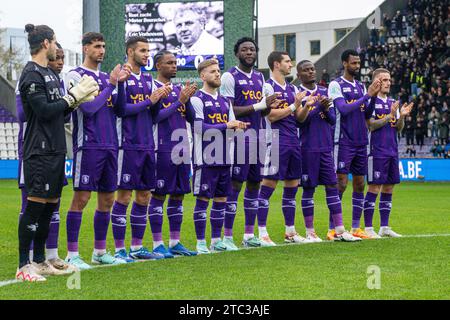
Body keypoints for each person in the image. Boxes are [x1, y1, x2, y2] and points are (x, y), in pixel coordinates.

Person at [16, 24, 99, 282]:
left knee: (49, 208)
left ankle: (40, 261)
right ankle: (22, 266)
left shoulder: (50, 74)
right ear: (45, 44)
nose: (56, 47)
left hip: (55, 149)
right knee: (34, 208)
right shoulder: (31, 73)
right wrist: (73, 95)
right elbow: (43, 111)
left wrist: (76, 101)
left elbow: (60, 113)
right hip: (38, 151)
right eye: (54, 42)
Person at [65, 32, 131, 269]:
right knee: (81, 198)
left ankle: (99, 251)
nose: (101, 50)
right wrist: (112, 84)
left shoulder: (106, 77)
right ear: (85, 49)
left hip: (111, 145)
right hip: (89, 144)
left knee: (108, 200)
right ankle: (72, 254)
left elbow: (121, 110)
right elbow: (90, 109)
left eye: (103, 46)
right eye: (96, 46)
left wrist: (120, 85)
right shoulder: (75, 75)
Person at [112, 37, 172, 262]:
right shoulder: (121, 76)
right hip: (128, 145)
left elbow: (154, 117)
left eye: (148, 51)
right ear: (130, 51)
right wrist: (149, 100)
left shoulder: (149, 80)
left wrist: (157, 101)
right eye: (143, 50)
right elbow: (120, 110)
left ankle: (137, 247)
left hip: (149, 145)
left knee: (145, 196)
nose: (147, 54)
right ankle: (119, 250)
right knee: (124, 196)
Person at [220, 37, 280, 249]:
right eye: (244, 49)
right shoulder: (229, 76)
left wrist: (269, 104)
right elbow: (228, 110)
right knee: (235, 184)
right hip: (238, 136)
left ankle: (248, 235)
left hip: (259, 136)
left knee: (255, 183)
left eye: (252, 49)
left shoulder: (260, 77)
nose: (249, 52)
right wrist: (258, 105)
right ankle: (227, 237)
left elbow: (264, 110)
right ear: (237, 53)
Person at [297, 60, 362, 242]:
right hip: (308, 148)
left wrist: (325, 109)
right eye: (306, 70)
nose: (311, 72)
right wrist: (312, 105)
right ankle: (310, 232)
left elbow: (332, 120)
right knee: (309, 189)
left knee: (332, 187)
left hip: (326, 148)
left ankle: (339, 230)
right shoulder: (298, 93)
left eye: (312, 69)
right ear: (299, 74)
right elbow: (299, 121)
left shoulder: (324, 92)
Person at [190, 59, 249, 253]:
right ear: (202, 76)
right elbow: (199, 128)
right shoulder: (197, 99)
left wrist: (238, 128)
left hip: (225, 158)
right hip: (205, 159)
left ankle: (216, 241)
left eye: (218, 71)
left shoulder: (225, 101)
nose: (217, 74)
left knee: (221, 200)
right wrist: (226, 126)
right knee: (203, 201)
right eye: (213, 71)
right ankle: (200, 243)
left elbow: (231, 128)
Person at [258, 52, 310, 246]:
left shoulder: (293, 88)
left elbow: (299, 119)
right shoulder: (267, 87)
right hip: (275, 140)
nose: (291, 64)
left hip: (293, 141)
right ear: (276, 64)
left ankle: (290, 232)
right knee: (268, 187)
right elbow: (270, 116)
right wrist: (294, 105)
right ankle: (262, 233)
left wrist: (305, 107)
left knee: (292, 187)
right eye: (287, 61)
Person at [149, 50, 198, 257]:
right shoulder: (154, 88)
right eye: (169, 63)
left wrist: (186, 100)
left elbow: (192, 118)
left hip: (182, 148)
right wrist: (180, 101)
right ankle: (157, 243)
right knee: (159, 195)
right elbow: (155, 117)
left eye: (175, 62)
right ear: (158, 66)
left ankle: (175, 241)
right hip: (162, 147)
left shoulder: (179, 89)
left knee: (178, 194)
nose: (174, 66)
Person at [327, 49, 380, 240]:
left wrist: (372, 97)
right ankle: (333, 228)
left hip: (361, 141)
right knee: (340, 184)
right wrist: (367, 96)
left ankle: (356, 228)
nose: (357, 66)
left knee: (359, 184)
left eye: (358, 63)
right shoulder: (336, 84)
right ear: (344, 63)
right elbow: (343, 109)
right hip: (343, 141)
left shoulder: (360, 86)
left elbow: (366, 113)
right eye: (353, 63)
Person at [363, 68, 413, 238]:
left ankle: (384, 226)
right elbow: (370, 125)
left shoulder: (393, 102)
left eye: (389, 80)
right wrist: (388, 116)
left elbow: (398, 128)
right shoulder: (370, 102)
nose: (388, 82)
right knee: (374, 187)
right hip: (376, 151)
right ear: (376, 82)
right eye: (384, 80)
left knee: (389, 187)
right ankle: (368, 228)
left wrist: (401, 117)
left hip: (392, 150)